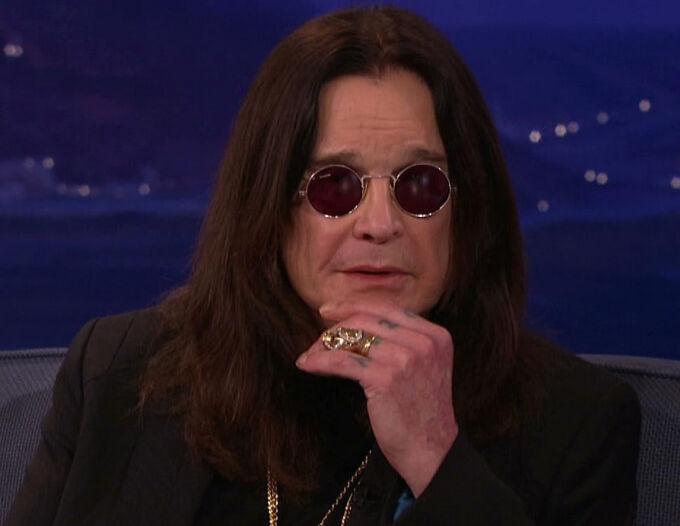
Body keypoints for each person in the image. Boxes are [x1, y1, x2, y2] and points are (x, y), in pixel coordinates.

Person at [5, 6, 640, 526]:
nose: (379, 223)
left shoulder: (576, 422)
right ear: (268, 206)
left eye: (420, 186)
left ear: (467, 212)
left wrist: (436, 457)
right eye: (335, 187)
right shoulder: (116, 372)